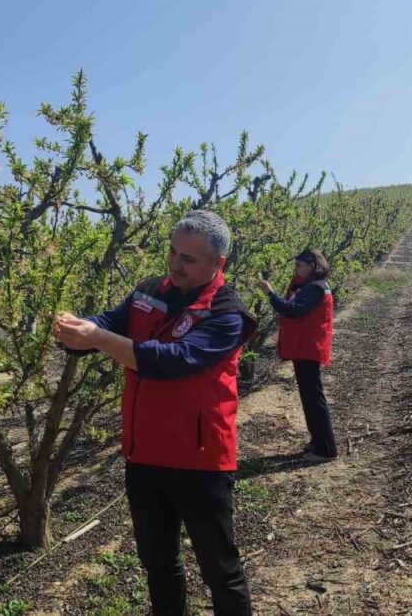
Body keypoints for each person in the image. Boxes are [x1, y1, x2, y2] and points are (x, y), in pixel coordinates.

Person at [52, 210, 255, 616]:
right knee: (159, 563)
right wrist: (79, 332)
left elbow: (172, 361)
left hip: (200, 459)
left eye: (188, 259)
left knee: (220, 570)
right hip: (144, 455)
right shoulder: (149, 291)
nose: (175, 264)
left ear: (219, 264)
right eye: (172, 252)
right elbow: (111, 321)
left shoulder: (227, 313)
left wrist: (97, 337)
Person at [256, 248, 337, 463]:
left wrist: (270, 293)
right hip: (305, 346)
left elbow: (291, 310)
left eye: (300, 265)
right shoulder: (309, 286)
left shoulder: (315, 288)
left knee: (313, 397)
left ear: (312, 265)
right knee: (309, 396)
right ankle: (318, 441)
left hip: (308, 347)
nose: (296, 269)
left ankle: (326, 448)